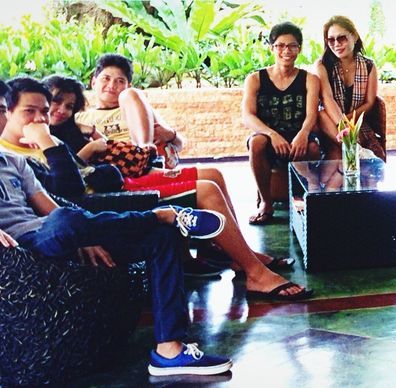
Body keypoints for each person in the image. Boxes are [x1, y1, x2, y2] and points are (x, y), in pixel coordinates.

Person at [0, 71, 232, 376]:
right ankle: (159, 213)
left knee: (161, 239)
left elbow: (49, 207)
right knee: (66, 221)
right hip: (14, 253)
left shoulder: (14, 162)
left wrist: (85, 235)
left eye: (0, 111)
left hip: (54, 237)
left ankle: (170, 350)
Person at [38, 76, 312, 300]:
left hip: (128, 177)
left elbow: (165, 142)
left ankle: (237, 257)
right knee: (206, 190)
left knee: (212, 176)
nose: (60, 110)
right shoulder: (39, 140)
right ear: (94, 81)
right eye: (54, 103)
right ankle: (254, 272)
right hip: (113, 197)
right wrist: (88, 148)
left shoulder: (72, 129)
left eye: (68, 105)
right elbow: (70, 185)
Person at [73, 54, 239, 213]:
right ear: (93, 82)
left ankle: (143, 150)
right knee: (208, 183)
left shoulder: (135, 105)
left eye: (120, 81)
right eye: (106, 78)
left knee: (214, 175)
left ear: (128, 85)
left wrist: (170, 135)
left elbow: (179, 145)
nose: (112, 85)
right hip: (111, 169)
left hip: (145, 164)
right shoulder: (81, 117)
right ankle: (142, 153)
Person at [241, 22, 324, 224]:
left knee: (312, 148)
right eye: (280, 45)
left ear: (299, 49)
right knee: (256, 143)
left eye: (292, 46)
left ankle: (306, 201)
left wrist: (303, 134)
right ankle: (266, 204)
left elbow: (312, 114)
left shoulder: (310, 79)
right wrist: (272, 134)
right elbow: (248, 115)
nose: (286, 51)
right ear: (272, 48)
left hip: (299, 134)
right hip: (269, 136)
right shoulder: (255, 79)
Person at [313, 15, 386, 161]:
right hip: (330, 123)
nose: (336, 44)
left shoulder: (368, 66)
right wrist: (344, 125)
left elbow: (369, 103)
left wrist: (349, 123)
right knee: (322, 114)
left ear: (354, 36)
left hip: (357, 121)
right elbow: (327, 98)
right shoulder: (322, 65)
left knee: (377, 157)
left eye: (341, 38)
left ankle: (352, 147)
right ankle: (353, 148)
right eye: (331, 40)